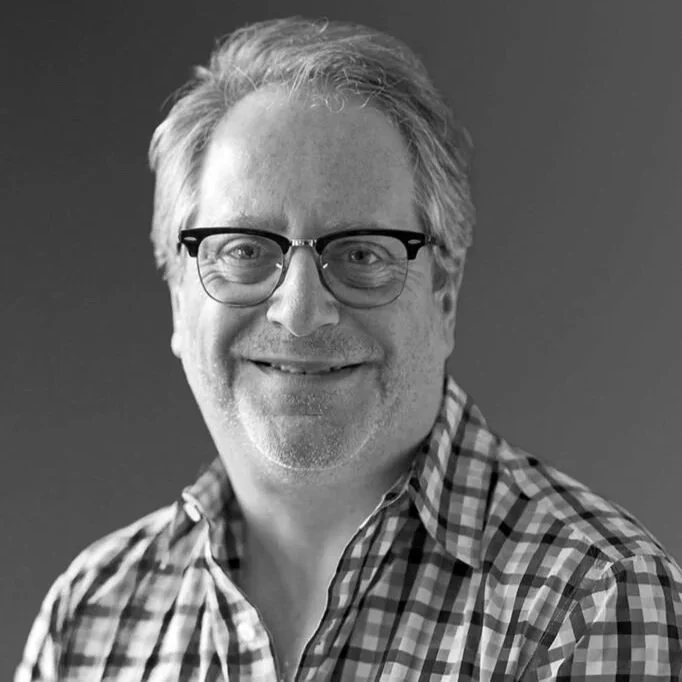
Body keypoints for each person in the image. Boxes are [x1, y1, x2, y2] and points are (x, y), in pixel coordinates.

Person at [15, 16, 682, 681]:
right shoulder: (92, 617)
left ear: (444, 295)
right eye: (244, 251)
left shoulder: (593, 602)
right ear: (177, 297)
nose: (300, 312)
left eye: (362, 253)